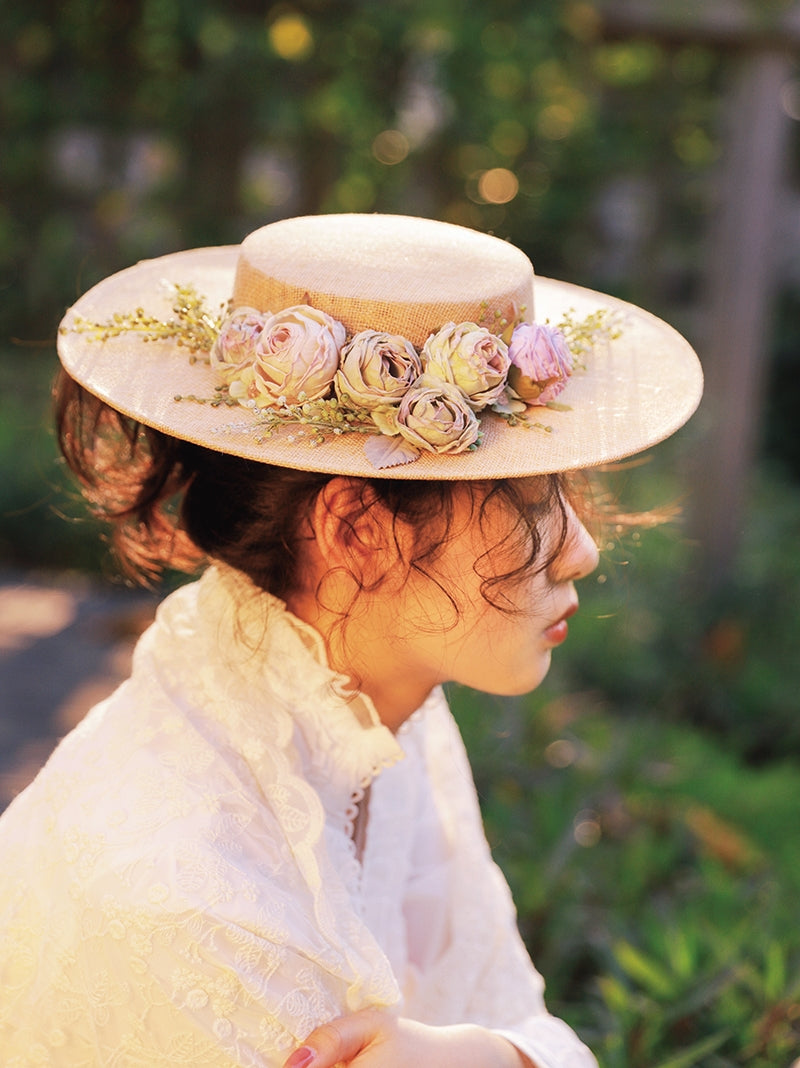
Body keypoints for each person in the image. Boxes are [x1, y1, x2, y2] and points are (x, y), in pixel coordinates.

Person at [0, 214, 702, 1067]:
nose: (583, 549)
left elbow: (507, 1007)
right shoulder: (190, 893)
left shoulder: (373, 714)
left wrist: (493, 1057)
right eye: (527, 500)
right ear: (360, 531)